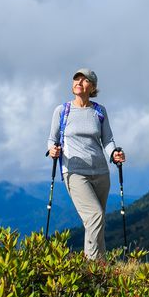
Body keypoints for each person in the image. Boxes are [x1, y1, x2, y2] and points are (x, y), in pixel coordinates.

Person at [47, 68, 125, 260]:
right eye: (76, 79)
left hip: (101, 173)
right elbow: (52, 139)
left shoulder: (99, 111)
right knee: (95, 216)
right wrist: (52, 150)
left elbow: (108, 140)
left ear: (93, 87)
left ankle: (101, 268)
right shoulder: (62, 111)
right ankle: (91, 268)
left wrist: (114, 153)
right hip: (74, 172)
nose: (79, 82)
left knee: (95, 222)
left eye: (84, 80)